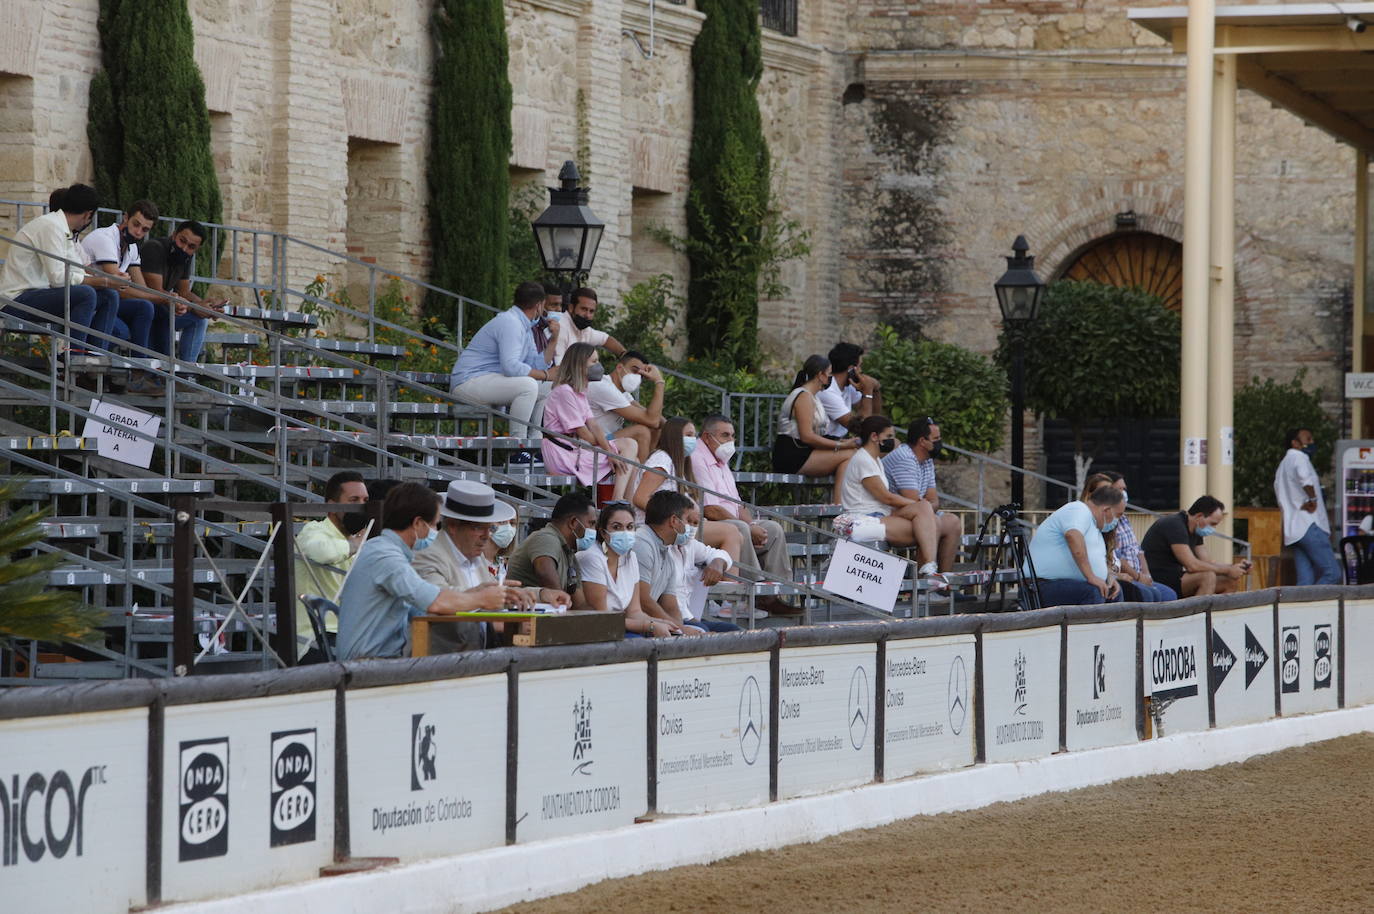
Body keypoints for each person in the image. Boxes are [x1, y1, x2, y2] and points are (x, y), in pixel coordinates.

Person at [335, 482, 508, 660]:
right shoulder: (385, 557)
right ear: (418, 523)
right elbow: (435, 602)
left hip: (377, 660)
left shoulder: (385, 550)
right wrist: (482, 599)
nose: (436, 532)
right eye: (435, 525)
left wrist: (476, 593)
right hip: (367, 664)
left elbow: (425, 607)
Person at [413, 480, 569, 652]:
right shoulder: (427, 555)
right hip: (438, 660)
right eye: (478, 528)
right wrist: (490, 604)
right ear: (453, 526)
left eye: (491, 528)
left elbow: (498, 593)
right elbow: (439, 602)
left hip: (474, 654)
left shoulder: (474, 555)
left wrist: (542, 594)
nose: (487, 536)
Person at [690, 414, 802, 616]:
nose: (730, 441)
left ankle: (775, 593)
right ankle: (751, 594)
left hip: (731, 520)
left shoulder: (721, 459)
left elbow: (737, 504)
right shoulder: (698, 459)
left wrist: (754, 524)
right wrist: (749, 528)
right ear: (707, 437)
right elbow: (711, 509)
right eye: (725, 435)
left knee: (773, 529)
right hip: (707, 524)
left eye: (732, 436)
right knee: (739, 528)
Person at [0, 183, 119, 352]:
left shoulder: (63, 229)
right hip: (16, 300)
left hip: (36, 295)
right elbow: (57, 278)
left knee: (109, 296)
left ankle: (94, 356)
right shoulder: (50, 227)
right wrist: (103, 281)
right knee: (86, 293)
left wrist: (107, 282)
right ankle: (75, 354)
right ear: (88, 214)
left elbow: (76, 270)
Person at [836, 415, 948, 587]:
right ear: (874, 437)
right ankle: (928, 574)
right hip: (862, 519)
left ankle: (929, 570)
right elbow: (885, 497)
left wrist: (920, 505)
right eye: (888, 437)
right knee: (928, 525)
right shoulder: (862, 459)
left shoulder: (875, 460)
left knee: (927, 518)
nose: (893, 441)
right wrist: (916, 504)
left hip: (879, 515)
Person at [450, 280, 556, 444]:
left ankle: (535, 441)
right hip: (467, 382)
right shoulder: (510, 323)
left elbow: (534, 364)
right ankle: (518, 445)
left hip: (487, 380)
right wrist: (545, 374)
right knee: (528, 386)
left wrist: (554, 340)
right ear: (539, 306)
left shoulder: (524, 326)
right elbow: (511, 367)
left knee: (548, 387)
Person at [632, 416, 746, 565]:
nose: (693, 440)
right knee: (731, 532)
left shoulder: (680, 463)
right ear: (674, 437)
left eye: (694, 435)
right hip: (660, 526)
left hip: (682, 524)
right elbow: (640, 498)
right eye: (689, 435)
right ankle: (731, 586)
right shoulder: (661, 460)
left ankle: (737, 581)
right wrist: (673, 517)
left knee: (736, 530)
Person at [540, 342, 633, 501]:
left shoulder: (580, 391)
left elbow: (594, 425)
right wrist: (608, 451)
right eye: (594, 361)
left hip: (573, 449)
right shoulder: (564, 392)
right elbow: (584, 434)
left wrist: (609, 451)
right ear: (580, 364)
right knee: (629, 445)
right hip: (562, 454)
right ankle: (617, 502)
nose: (599, 366)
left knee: (633, 460)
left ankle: (627, 507)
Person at [294, 471, 370, 661]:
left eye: (365, 500)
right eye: (354, 500)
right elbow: (321, 551)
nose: (362, 506)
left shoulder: (362, 537)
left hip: (349, 635)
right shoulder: (313, 530)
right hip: (317, 637)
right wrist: (353, 546)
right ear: (332, 505)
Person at [576, 502, 676, 637]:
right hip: (597, 630)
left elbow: (634, 611)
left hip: (620, 626)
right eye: (617, 527)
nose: (625, 532)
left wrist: (663, 622)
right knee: (641, 643)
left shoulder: (631, 557)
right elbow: (603, 618)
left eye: (629, 527)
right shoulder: (592, 558)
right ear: (603, 533)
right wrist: (650, 625)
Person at [139, 220, 227, 362]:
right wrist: (195, 307)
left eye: (191, 247)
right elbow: (155, 291)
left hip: (165, 308)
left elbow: (184, 292)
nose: (184, 248)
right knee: (167, 313)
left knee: (200, 320)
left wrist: (206, 306)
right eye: (182, 241)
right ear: (174, 235)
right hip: (147, 308)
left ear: (197, 249)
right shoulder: (154, 248)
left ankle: (186, 372)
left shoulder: (186, 256)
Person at [1024, 485, 1127, 607]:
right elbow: (1072, 535)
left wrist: (1108, 578)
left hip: (1069, 585)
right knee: (1093, 593)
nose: (1118, 520)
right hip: (1042, 585)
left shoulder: (1095, 526)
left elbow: (1097, 558)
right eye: (1118, 515)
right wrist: (1091, 577)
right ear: (1106, 510)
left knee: (1114, 594)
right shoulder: (1078, 509)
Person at [773, 354, 859, 499]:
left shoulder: (812, 396)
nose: (831, 378)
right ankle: (838, 507)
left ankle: (840, 506)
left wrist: (845, 442)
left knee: (854, 452)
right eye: (829, 374)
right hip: (792, 454)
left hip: (803, 450)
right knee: (850, 455)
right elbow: (807, 436)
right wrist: (840, 445)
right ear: (821, 375)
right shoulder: (803, 396)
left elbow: (815, 435)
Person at [883, 416, 962, 572]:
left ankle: (942, 582)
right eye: (936, 439)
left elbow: (933, 500)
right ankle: (924, 584)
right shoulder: (904, 458)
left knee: (952, 522)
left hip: (913, 512)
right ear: (922, 441)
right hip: (890, 513)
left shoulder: (927, 459)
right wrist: (925, 504)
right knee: (930, 520)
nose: (940, 442)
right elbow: (913, 502)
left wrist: (925, 504)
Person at [1140, 495, 1252, 598]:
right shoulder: (1174, 525)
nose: (1213, 529)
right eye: (1212, 524)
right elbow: (1192, 565)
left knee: (1229, 581)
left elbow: (1208, 562)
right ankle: (1198, 618)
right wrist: (1228, 570)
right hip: (1157, 579)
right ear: (1199, 516)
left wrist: (1235, 567)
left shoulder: (1196, 529)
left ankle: (1218, 618)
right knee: (1208, 577)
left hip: (1176, 577)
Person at [1274, 427, 1342, 585]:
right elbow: (1305, 479)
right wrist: (1312, 498)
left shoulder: (1282, 466)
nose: (1312, 442)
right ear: (1295, 443)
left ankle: (1300, 609)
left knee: (1305, 580)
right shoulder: (1299, 457)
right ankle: (1314, 607)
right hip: (1309, 525)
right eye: (1308, 439)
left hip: (1294, 530)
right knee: (1332, 572)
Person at [631, 491, 704, 635]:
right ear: (674, 521)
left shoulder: (666, 549)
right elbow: (643, 600)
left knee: (705, 632)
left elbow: (671, 606)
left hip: (652, 622)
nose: (690, 527)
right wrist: (681, 630)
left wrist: (680, 632)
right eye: (687, 521)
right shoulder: (642, 543)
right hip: (634, 624)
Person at [506, 491, 598, 604]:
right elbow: (546, 576)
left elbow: (579, 605)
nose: (594, 530)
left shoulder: (569, 555)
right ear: (573, 522)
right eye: (591, 523)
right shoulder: (546, 538)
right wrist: (563, 603)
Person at [1099, 471, 1177, 602]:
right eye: (1120, 489)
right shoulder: (1107, 521)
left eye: (1124, 489)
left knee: (1169, 594)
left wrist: (1146, 575)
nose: (1123, 492)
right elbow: (1117, 556)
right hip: (1126, 576)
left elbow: (1138, 551)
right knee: (1149, 595)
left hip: (1138, 575)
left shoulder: (1123, 518)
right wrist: (1137, 577)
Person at [587, 350, 666, 478]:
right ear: (619, 368)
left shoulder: (622, 393)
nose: (637, 377)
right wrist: (659, 382)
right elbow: (652, 420)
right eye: (634, 371)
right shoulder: (603, 386)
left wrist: (672, 429)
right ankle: (641, 479)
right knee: (641, 431)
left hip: (609, 440)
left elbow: (657, 420)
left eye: (642, 375)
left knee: (655, 428)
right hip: (593, 442)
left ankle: (644, 469)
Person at [817, 341, 883, 437]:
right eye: (860, 366)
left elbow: (874, 416)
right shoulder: (828, 391)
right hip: (825, 444)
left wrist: (876, 388)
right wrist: (867, 392)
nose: (861, 371)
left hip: (838, 442)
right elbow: (862, 428)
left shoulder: (848, 388)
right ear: (851, 369)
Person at [551, 287, 626, 366]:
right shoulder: (560, 326)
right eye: (584, 309)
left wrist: (625, 356)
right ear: (571, 308)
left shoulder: (584, 329)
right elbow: (559, 367)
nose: (587, 315)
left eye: (591, 311)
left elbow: (605, 339)